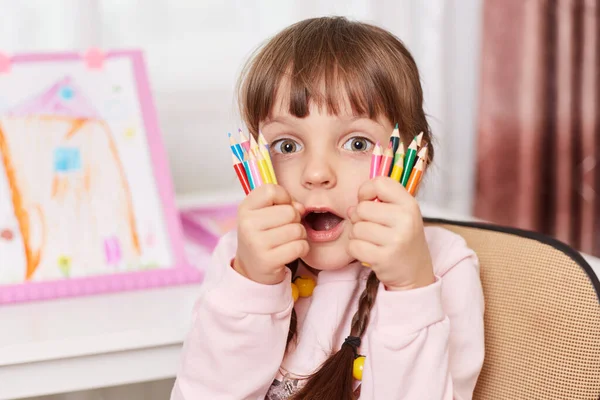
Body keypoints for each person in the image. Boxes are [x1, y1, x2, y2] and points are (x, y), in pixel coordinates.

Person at [171, 16, 484, 400]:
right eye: (287, 146)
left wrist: (410, 288)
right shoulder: (238, 262)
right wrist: (252, 285)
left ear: (412, 160)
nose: (316, 173)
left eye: (356, 144)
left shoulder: (443, 265)